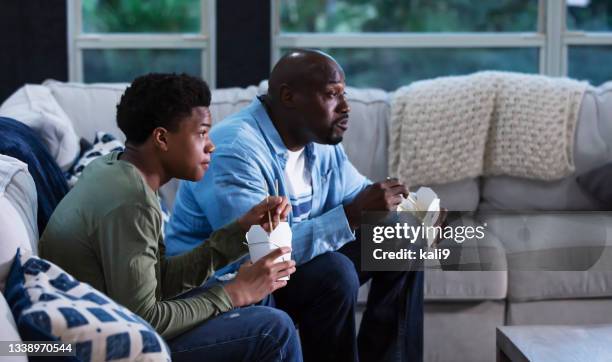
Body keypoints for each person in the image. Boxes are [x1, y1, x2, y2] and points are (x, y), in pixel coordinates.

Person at [166, 50, 423, 362]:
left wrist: (413, 210)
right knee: (334, 272)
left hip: (286, 271)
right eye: (332, 95)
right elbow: (255, 251)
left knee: (402, 236)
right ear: (289, 96)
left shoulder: (318, 143)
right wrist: (351, 216)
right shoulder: (236, 149)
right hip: (232, 282)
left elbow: (361, 194)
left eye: (344, 94)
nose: (345, 107)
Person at [39, 73, 302, 362]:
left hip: (110, 319)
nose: (211, 145)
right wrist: (233, 294)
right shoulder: (130, 202)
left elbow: (157, 281)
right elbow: (144, 318)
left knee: (259, 297)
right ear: (162, 138)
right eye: (201, 133)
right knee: (274, 330)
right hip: (98, 346)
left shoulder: (114, 167)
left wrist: (241, 231)